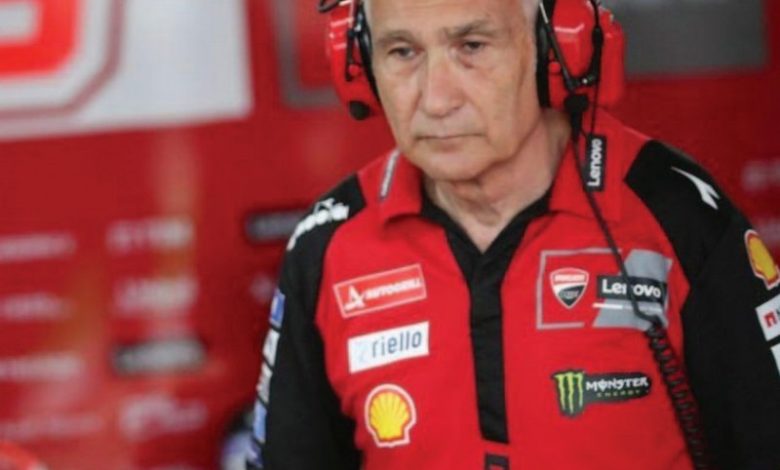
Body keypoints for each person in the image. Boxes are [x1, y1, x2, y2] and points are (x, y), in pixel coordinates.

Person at [247, 0, 780, 468]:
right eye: (402, 52)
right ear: (360, 67)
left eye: (472, 46)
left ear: (555, 50)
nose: (436, 100)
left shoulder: (675, 213)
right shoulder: (328, 244)